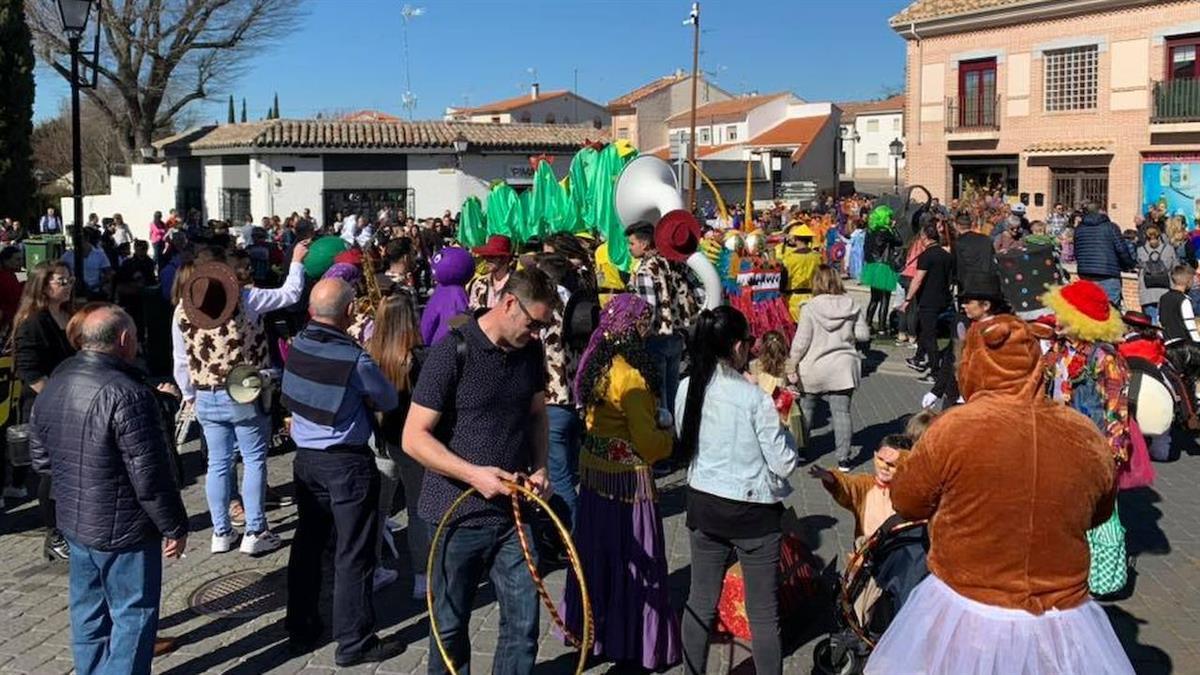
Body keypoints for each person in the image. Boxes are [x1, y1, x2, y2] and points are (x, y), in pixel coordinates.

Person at [866, 315, 1133, 675]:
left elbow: (907, 500)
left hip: (970, 600)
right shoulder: (1084, 434)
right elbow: (1099, 511)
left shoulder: (955, 427)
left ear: (973, 366)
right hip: (1059, 611)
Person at [403, 267, 555, 675]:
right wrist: (474, 476)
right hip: (455, 517)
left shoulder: (530, 352)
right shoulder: (452, 352)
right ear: (508, 303)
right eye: (534, 322)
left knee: (523, 625)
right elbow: (413, 438)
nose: (538, 333)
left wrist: (540, 466)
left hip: (513, 515)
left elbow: (538, 414)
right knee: (449, 629)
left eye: (544, 325)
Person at [28, 305, 188, 675]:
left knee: (87, 608)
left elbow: (42, 459)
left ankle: (92, 670)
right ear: (124, 339)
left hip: (75, 519)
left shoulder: (57, 381)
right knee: (133, 613)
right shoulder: (129, 394)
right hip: (124, 528)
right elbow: (150, 477)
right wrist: (174, 525)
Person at [282, 278, 403, 666]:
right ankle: (354, 643)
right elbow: (387, 397)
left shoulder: (299, 342)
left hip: (306, 461)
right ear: (349, 312)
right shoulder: (353, 358)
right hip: (345, 463)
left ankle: (301, 626)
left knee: (307, 545)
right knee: (353, 554)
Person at [676, 305, 798, 675]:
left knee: (699, 601)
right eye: (748, 341)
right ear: (735, 346)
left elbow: (683, 438)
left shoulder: (687, 387)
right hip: (753, 513)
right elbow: (784, 462)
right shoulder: (755, 398)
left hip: (704, 503)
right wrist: (786, 430)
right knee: (763, 612)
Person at [561, 294, 679, 669]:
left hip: (595, 479)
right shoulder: (630, 375)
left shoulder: (595, 363)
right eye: (644, 323)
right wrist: (668, 436)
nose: (648, 329)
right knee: (635, 558)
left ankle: (595, 633)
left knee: (598, 558)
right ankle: (633, 640)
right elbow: (648, 442)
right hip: (628, 485)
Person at [171, 240, 309, 556]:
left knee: (218, 464)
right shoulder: (247, 299)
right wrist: (297, 261)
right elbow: (290, 294)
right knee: (253, 459)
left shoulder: (183, 309)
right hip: (244, 389)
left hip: (206, 393)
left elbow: (181, 360)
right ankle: (255, 529)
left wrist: (189, 394)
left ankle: (221, 531)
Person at [1040, 280, 1131, 598]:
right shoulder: (1058, 349)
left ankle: (1083, 577)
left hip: (1088, 450)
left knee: (1085, 515)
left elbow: (1117, 413)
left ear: (1081, 318)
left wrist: (1111, 458)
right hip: (1056, 443)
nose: (1056, 318)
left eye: (1062, 313)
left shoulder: (1105, 358)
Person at [365, 292, 429, 598]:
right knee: (417, 509)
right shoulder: (417, 358)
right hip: (411, 442)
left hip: (380, 439)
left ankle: (373, 568)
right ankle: (421, 576)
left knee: (377, 508)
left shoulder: (369, 352)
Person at [11, 262, 76, 560]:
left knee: (70, 470)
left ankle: (69, 527)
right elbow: (30, 371)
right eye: (61, 280)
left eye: (69, 278)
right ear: (44, 285)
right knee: (51, 472)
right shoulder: (32, 321)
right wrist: (60, 399)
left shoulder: (68, 315)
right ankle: (54, 533)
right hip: (48, 405)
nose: (68, 284)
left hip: (73, 401)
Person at [786, 266, 870, 470]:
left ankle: (803, 451)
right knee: (842, 413)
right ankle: (844, 459)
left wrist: (791, 365)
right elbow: (864, 335)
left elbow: (801, 342)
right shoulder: (852, 305)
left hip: (814, 367)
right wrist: (847, 333)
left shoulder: (810, 307)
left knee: (806, 410)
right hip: (842, 366)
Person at [626, 217, 701, 418]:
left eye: (631, 243)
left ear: (644, 243)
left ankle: (665, 441)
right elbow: (699, 291)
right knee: (674, 390)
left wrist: (637, 337)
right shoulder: (674, 263)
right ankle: (677, 437)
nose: (629, 248)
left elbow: (647, 310)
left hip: (655, 337)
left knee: (659, 397)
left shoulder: (645, 270)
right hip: (677, 335)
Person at [901, 224, 954, 384]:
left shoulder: (927, 256)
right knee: (926, 329)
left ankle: (935, 370)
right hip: (942, 298)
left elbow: (918, 279)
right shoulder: (947, 256)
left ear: (925, 238)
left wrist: (908, 300)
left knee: (930, 335)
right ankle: (918, 358)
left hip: (928, 299)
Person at [1073, 201, 1136, 307]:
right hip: (1108, 274)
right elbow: (1121, 250)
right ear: (1101, 211)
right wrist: (1129, 265)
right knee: (1111, 311)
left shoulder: (1079, 229)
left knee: (1089, 310)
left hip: (1086, 274)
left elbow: (1077, 251)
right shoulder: (1111, 227)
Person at [861, 206, 902, 335]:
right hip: (883, 266)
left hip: (872, 266)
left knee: (874, 298)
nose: (891, 219)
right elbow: (899, 241)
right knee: (885, 298)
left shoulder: (870, 231)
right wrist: (894, 228)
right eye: (889, 217)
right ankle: (882, 327)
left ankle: (868, 323)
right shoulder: (885, 232)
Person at [1137, 226, 1177, 325]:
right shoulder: (1169, 249)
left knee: (1151, 323)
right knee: (1166, 323)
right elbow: (1175, 267)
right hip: (1165, 291)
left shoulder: (1140, 250)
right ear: (1160, 235)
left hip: (1147, 292)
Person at [61, 229, 113, 299]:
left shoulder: (100, 254)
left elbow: (108, 275)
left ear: (87, 238)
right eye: (74, 239)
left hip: (94, 293)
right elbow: (60, 274)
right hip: (73, 293)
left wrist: (95, 286)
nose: (76, 241)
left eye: (79, 239)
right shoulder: (67, 256)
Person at [466, 234, 514, 310]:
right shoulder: (478, 284)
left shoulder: (518, 284)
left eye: (492, 256)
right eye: (484, 256)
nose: (486, 260)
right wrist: (452, 321)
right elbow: (470, 311)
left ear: (505, 258)